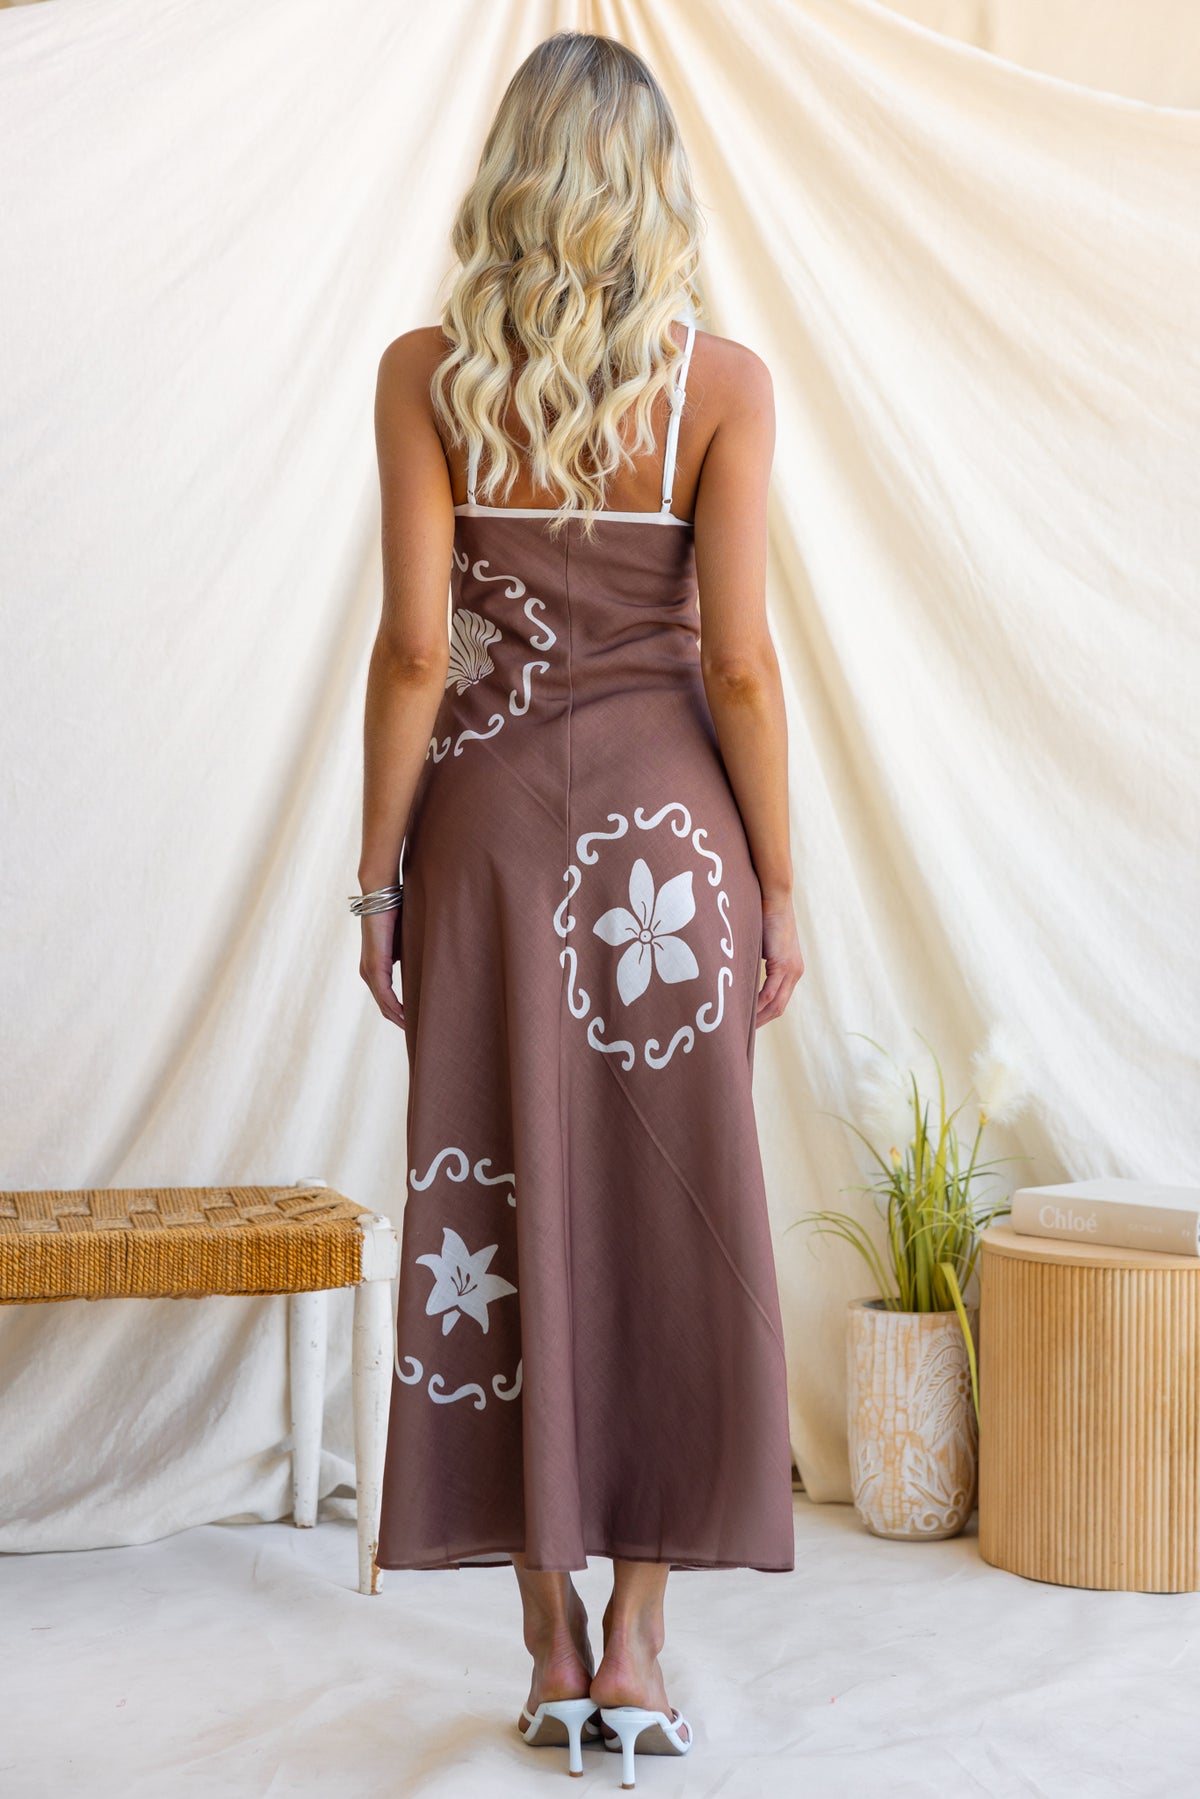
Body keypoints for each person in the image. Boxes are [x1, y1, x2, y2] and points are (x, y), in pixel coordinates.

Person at [355, 28, 804, 1785]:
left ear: (510, 180)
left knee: (492, 1191)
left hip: (483, 847)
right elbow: (741, 668)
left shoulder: (425, 376)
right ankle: (637, 1643)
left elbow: (415, 651)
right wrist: (780, 888)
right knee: (669, 1221)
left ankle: (542, 1642)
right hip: (666, 870)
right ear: (652, 194)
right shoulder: (722, 385)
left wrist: (377, 879)